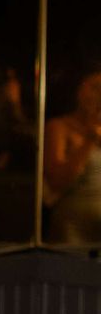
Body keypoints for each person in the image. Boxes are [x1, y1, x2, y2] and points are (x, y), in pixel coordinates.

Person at [44, 68, 101, 245]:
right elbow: (56, 181)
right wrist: (88, 141)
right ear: (79, 90)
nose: (97, 94)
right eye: (94, 87)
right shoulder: (59, 127)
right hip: (74, 226)